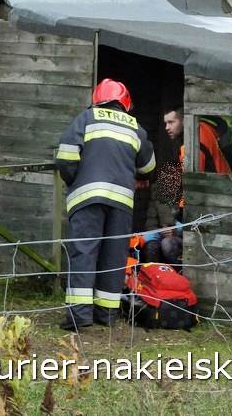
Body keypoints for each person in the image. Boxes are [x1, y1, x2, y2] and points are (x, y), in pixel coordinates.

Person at [56, 78, 156, 330]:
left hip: (86, 198)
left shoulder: (86, 119)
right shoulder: (135, 127)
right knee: (114, 256)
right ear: (125, 102)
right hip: (122, 201)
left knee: (84, 252)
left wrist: (74, 180)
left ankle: (79, 317)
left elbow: (66, 157)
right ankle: (106, 315)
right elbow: (149, 167)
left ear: (97, 99)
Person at [163, 108, 231, 175]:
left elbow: (192, 179)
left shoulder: (194, 143)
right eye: (166, 123)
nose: (167, 127)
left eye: (171, 122)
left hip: (218, 183)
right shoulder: (199, 127)